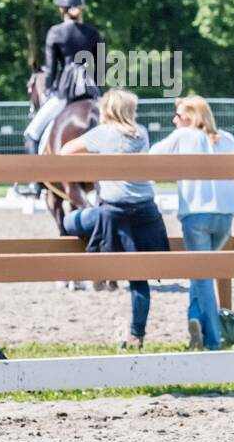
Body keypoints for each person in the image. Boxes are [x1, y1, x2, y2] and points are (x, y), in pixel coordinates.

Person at [60, 89, 169, 348]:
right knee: (139, 278)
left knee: (69, 223)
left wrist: (95, 164)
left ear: (108, 110)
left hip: (114, 213)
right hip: (145, 212)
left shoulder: (103, 133)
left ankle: (102, 249)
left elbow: (66, 151)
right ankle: (137, 334)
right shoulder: (141, 132)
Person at [149, 95, 234, 348]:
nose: (174, 120)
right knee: (203, 275)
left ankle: (212, 339)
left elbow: (152, 156)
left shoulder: (183, 136)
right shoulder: (227, 138)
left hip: (196, 214)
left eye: (177, 115)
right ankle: (194, 318)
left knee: (202, 276)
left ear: (189, 117)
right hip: (225, 216)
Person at [16, 0, 103, 196]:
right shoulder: (93, 34)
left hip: (66, 92)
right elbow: (100, 71)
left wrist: (49, 90)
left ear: (61, 9)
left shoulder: (55, 32)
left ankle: (36, 184)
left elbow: (51, 70)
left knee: (31, 133)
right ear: (80, 8)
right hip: (91, 91)